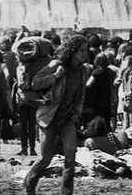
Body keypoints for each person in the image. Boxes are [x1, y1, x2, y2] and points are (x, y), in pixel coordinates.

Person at [24, 35, 90, 195]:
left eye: (85, 50)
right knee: (46, 158)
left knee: (70, 157)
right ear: (72, 51)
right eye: (81, 50)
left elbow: (81, 96)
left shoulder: (83, 70)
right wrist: (55, 76)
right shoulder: (56, 65)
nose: (84, 53)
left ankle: (66, 192)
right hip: (48, 117)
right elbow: (36, 83)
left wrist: (77, 114)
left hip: (68, 118)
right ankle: (29, 182)